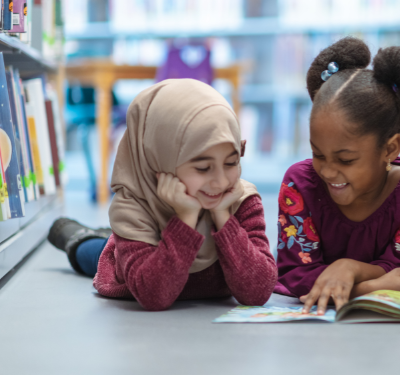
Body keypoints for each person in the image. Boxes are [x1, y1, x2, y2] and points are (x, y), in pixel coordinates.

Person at [48, 79, 277, 311]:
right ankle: (76, 235)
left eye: (231, 162)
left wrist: (223, 217)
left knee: (113, 240)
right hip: (130, 268)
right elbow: (154, 296)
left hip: (163, 244)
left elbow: (258, 291)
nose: (220, 182)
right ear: (160, 157)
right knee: (92, 253)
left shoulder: (240, 200)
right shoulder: (134, 208)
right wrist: (186, 218)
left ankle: (107, 235)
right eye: (202, 168)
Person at [274, 37, 400, 315]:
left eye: (346, 160)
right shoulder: (299, 183)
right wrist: (366, 288)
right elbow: (294, 274)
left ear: (390, 149)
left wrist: (348, 268)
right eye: (318, 154)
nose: (327, 171)